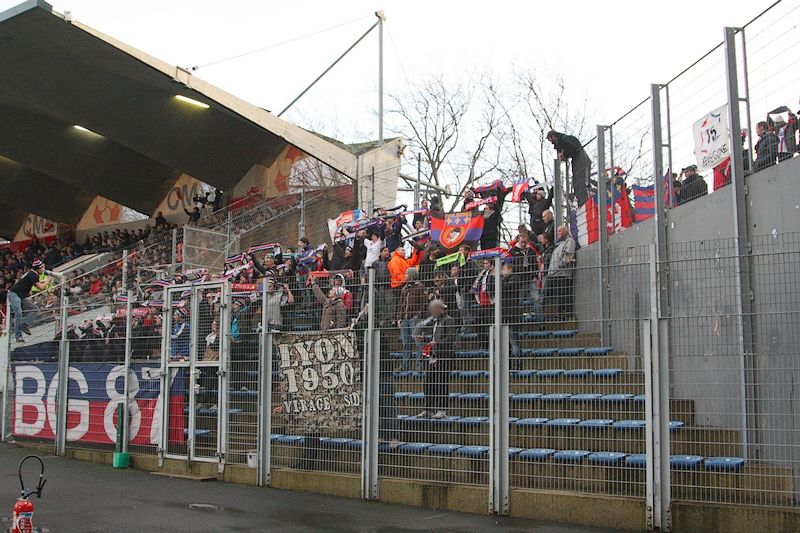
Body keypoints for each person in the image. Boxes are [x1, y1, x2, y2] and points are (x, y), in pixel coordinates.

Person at [413, 299, 456, 419]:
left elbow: (451, 338)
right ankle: (428, 409)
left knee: (441, 383)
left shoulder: (449, 320)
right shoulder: (436, 321)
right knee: (428, 383)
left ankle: (442, 409)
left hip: (444, 357)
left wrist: (437, 343)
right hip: (433, 357)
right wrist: (425, 339)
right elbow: (434, 338)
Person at [8, 259, 50, 342]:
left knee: (34, 308)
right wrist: (48, 280)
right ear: (38, 268)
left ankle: (25, 324)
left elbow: (35, 283)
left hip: (20, 295)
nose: (44, 269)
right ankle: (18, 336)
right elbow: (41, 287)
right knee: (18, 313)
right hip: (14, 294)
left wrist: (44, 281)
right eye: (42, 267)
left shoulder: (32, 274)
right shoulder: (33, 274)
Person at [547, 130, 592, 206]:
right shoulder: (561, 142)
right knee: (577, 183)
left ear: (553, 136)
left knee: (582, 182)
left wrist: (564, 153)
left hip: (581, 159)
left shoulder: (566, 138)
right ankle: (582, 203)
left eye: (550, 139)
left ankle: (586, 202)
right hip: (576, 160)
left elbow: (574, 146)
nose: (551, 142)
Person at [396, 267, 427, 371]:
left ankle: (420, 365)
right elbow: (401, 304)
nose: (405, 275)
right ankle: (405, 366)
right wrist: (399, 318)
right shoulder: (404, 288)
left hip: (415, 319)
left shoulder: (420, 287)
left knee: (418, 342)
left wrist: (418, 315)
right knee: (406, 343)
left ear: (412, 275)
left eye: (407, 274)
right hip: (404, 319)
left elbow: (424, 303)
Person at [544, 226, 576, 321]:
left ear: (566, 231)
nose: (558, 232)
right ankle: (551, 315)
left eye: (560, 231)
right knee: (550, 295)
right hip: (553, 274)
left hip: (562, 274)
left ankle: (563, 315)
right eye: (557, 231)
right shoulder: (559, 244)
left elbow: (569, 255)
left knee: (562, 296)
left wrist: (560, 265)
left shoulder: (570, 241)